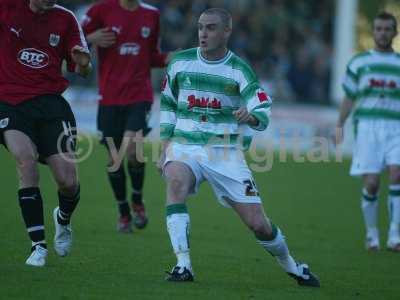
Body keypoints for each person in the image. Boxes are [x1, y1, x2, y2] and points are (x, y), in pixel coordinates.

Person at [158, 8, 320, 286]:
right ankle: (183, 265)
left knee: (258, 223)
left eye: (210, 28)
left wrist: (252, 115)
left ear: (226, 32)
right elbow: (168, 105)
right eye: (200, 27)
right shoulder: (180, 63)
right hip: (185, 145)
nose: (203, 33)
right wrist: (164, 146)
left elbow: (261, 103)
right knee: (175, 185)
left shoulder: (238, 70)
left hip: (224, 153)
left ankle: (293, 266)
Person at [0, 0, 91, 267]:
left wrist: (84, 64)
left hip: (51, 104)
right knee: (25, 161)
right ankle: (38, 246)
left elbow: (83, 68)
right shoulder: (6, 7)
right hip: (10, 102)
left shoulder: (66, 19)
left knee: (67, 181)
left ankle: (62, 218)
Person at [81, 0, 171, 233]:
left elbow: (152, 56)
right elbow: (71, 39)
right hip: (109, 98)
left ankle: (138, 201)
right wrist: (90, 39)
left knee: (132, 150)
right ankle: (123, 212)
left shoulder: (152, 15)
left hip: (138, 96)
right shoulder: (99, 10)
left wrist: (170, 58)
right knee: (115, 160)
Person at [337, 12, 400, 252]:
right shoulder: (358, 63)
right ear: (373, 32)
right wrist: (339, 124)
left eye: (387, 29)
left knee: (397, 175)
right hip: (367, 128)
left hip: (396, 127)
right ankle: (372, 233)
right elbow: (349, 97)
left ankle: (395, 234)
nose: (383, 33)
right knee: (372, 184)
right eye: (379, 29)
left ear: (394, 33)